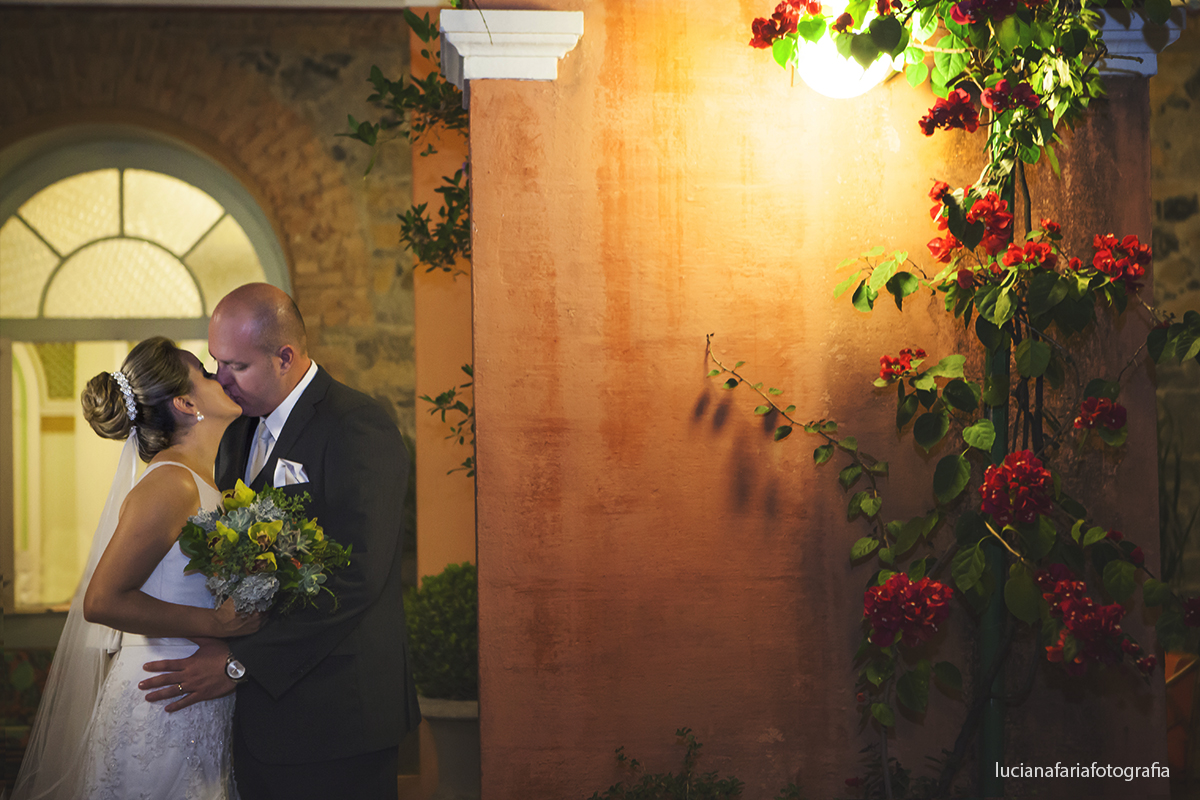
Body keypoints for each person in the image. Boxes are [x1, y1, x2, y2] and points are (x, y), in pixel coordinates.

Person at [138, 283, 421, 800]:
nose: (221, 378)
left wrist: (238, 662)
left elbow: (358, 576)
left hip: (337, 720)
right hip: (255, 721)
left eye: (236, 366)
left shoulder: (357, 425)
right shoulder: (236, 431)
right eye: (215, 362)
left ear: (285, 357)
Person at [11, 336, 261, 800]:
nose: (220, 376)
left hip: (193, 694)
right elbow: (102, 600)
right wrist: (215, 623)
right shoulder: (171, 484)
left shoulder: (204, 483)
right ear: (186, 403)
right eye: (206, 373)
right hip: (161, 701)